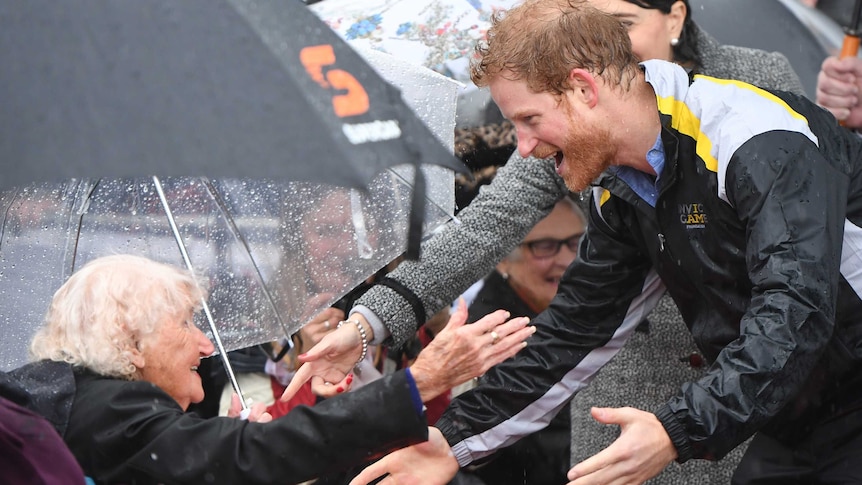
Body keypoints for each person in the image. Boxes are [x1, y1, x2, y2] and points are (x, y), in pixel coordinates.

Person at [284, 1, 804, 481]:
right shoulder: (588, 163)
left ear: (674, 17)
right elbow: (493, 223)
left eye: (620, 25)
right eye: (586, 25)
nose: (605, 45)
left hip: (766, 375)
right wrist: (371, 321)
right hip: (625, 367)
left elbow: (806, 262)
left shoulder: (753, 102)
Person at [3, 254, 533, 484]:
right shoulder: (108, 406)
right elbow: (240, 461)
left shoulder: (82, 400)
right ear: (130, 343)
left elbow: (226, 464)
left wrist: (243, 450)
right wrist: (418, 383)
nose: (205, 343)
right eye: (186, 324)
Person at [462, 195, 586, 485]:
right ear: (504, 258)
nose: (568, 260)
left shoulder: (585, 310)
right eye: (545, 246)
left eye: (576, 242)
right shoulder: (491, 338)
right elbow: (538, 449)